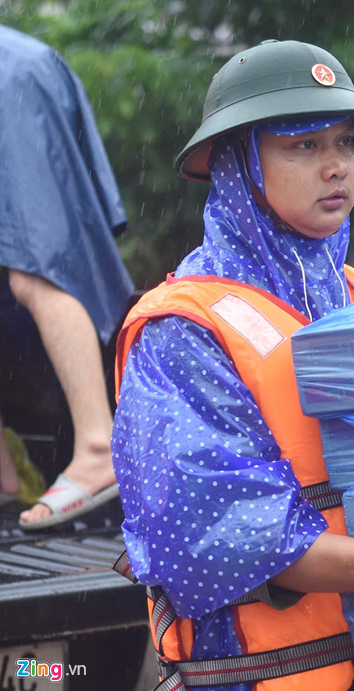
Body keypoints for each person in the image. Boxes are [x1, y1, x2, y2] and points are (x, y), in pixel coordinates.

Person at [112, 39, 354, 691]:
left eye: (344, 143)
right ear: (237, 163)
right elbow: (216, 532)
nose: (336, 167)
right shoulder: (183, 329)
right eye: (303, 145)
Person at [0, 26, 134, 529]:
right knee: (30, 258)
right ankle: (4, 473)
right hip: (19, 73)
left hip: (9, 80)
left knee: (36, 262)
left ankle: (98, 444)